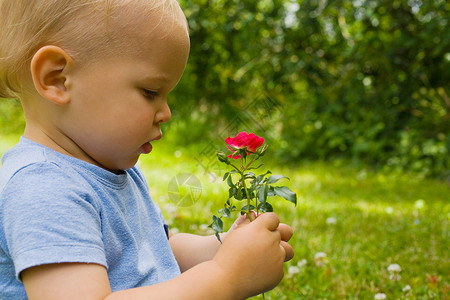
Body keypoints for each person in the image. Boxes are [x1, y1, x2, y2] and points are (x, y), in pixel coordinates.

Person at [0, 0, 294, 299]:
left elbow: (157, 252)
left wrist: (225, 249)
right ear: (57, 78)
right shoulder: (43, 189)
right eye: (150, 92)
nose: (166, 112)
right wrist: (225, 277)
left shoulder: (113, 170)